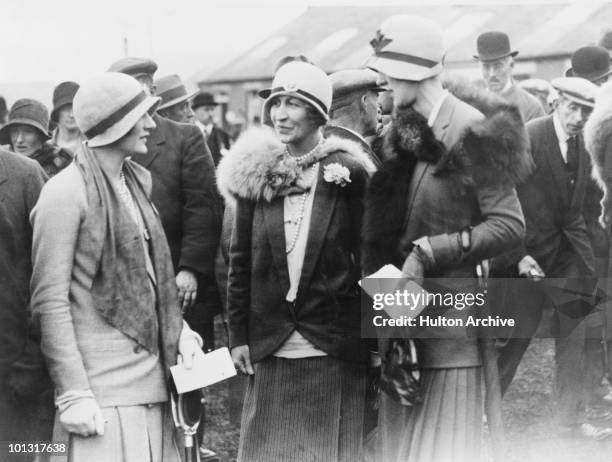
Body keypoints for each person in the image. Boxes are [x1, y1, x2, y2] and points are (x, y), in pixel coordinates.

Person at [363, 15, 529, 461]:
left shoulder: (474, 129)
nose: (381, 81)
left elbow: (510, 225)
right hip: (404, 323)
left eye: (388, 72)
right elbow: (388, 231)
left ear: (413, 72)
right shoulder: (405, 131)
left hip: (452, 333)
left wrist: (432, 251)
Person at [30, 72, 203, 461]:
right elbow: (50, 302)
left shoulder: (135, 185)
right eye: (142, 114)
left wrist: (183, 332)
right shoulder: (64, 193)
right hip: (101, 401)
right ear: (116, 122)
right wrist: (74, 393)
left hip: (154, 389)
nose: (152, 124)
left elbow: (150, 277)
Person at [218, 60, 375, 461]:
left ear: (319, 112)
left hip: (333, 346)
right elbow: (240, 263)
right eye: (276, 103)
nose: (280, 114)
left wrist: (382, 339)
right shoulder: (258, 171)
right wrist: (238, 336)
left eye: (293, 104)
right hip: (271, 346)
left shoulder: (351, 171)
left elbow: (372, 259)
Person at [497, 77, 605, 436]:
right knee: (516, 336)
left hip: (570, 255)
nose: (578, 117)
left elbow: (587, 204)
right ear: (556, 102)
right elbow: (501, 199)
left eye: (586, 111)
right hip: (529, 256)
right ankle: (483, 413)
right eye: (573, 108)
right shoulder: (529, 137)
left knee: (574, 334)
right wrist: (519, 255)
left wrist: (588, 252)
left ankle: (569, 423)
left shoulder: (586, 144)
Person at [108, 57, 222, 351]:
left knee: (188, 366)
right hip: (127, 282)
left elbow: (203, 208)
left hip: (179, 280)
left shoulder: (184, 137)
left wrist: (191, 269)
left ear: (153, 92)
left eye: (141, 92)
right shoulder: (107, 145)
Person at [0, 148, 51, 462]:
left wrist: (33, 355)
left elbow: (51, 270)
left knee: (21, 451)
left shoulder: (25, 175)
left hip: (17, 368)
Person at [475, 31, 545, 122]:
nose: (492, 74)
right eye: (486, 67)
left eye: (498, 66)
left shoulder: (531, 107)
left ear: (511, 65)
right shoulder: (471, 104)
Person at [0, 98, 71, 177]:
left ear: (41, 136)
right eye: (15, 131)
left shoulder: (62, 165)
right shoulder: (3, 163)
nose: (19, 140)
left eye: (28, 132)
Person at [192, 92, 230, 166]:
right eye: (206, 109)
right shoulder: (188, 134)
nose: (210, 113)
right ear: (195, 111)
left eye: (212, 109)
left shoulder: (223, 135)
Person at [50, 81, 86, 157]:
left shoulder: (92, 143)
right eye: (65, 109)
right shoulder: (45, 146)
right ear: (57, 112)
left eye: (74, 108)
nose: (71, 115)